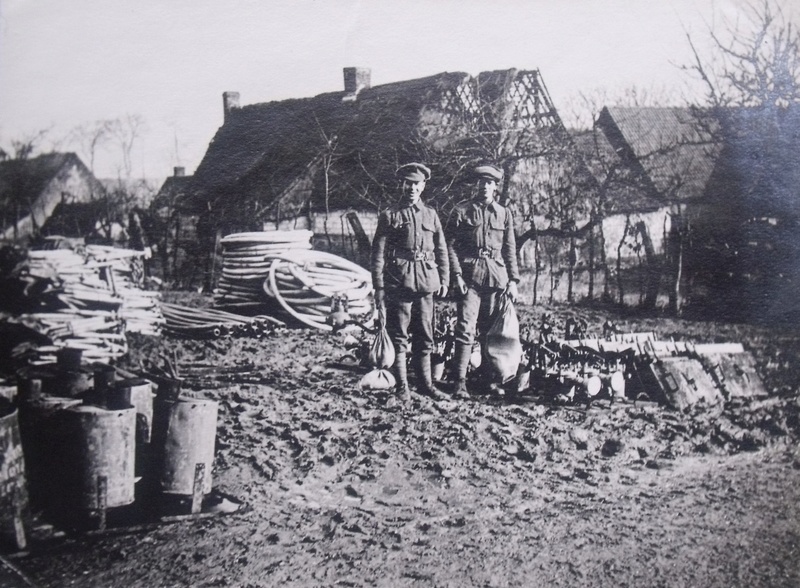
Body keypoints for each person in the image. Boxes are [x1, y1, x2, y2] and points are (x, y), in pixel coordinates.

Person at [371, 163, 450, 405]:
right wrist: (379, 287)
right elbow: (378, 254)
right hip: (400, 283)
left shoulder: (430, 215)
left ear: (423, 186)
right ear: (402, 185)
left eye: (417, 184)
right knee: (399, 335)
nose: (412, 188)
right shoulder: (390, 216)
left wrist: (444, 279)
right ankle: (402, 386)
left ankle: (426, 384)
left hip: (426, 283)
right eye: (409, 183)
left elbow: (441, 249)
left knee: (426, 335)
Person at [447, 163, 520, 399]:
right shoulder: (461, 211)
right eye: (482, 182)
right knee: (465, 329)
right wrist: (456, 275)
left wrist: (513, 281)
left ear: (495, 187)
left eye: (490, 183)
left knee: (490, 333)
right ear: (475, 185)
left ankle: (488, 381)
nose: (485, 186)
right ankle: (460, 382)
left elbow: (510, 249)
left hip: (496, 279)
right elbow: (448, 246)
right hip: (470, 280)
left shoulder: (504, 213)